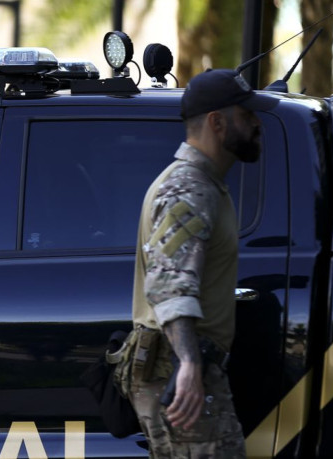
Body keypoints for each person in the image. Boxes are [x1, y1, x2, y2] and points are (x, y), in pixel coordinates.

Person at [126, 69, 278, 457]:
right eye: (247, 115)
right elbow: (168, 285)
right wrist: (190, 365)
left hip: (182, 366)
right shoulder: (188, 187)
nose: (257, 123)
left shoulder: (205, 184)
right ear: (217, 122)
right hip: (178, 369)